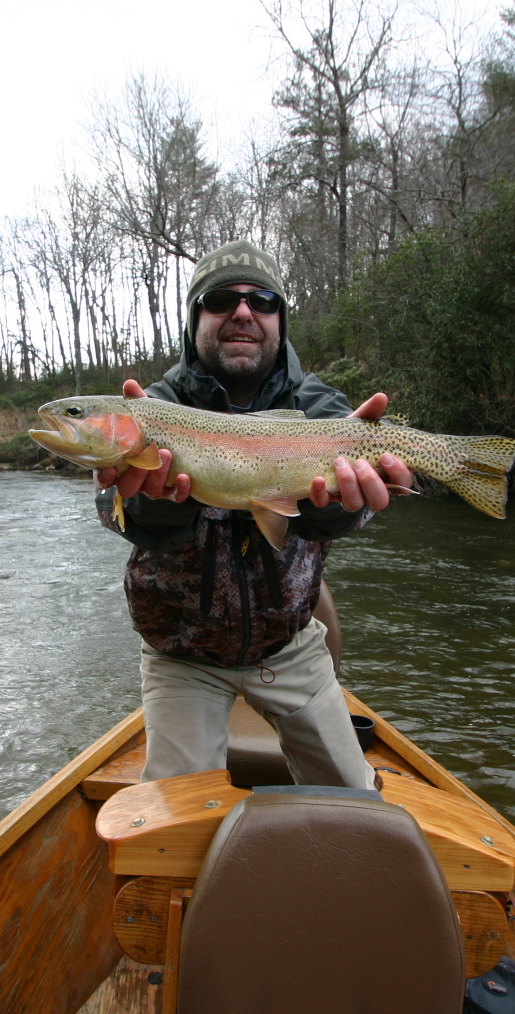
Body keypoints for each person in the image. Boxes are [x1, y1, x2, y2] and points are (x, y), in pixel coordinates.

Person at [94, 240, 413, 788]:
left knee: (359, 804)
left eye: (262, 301)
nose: (243, 312)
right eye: (221, 300)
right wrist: (155, 500)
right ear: (196, 320)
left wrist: (344, 506)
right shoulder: (152, 407)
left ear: (279, 322)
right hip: (181, 654)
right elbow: (119, 514)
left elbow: (333, 514)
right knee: (170, 829)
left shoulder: (320, 408)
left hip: (289, 645)